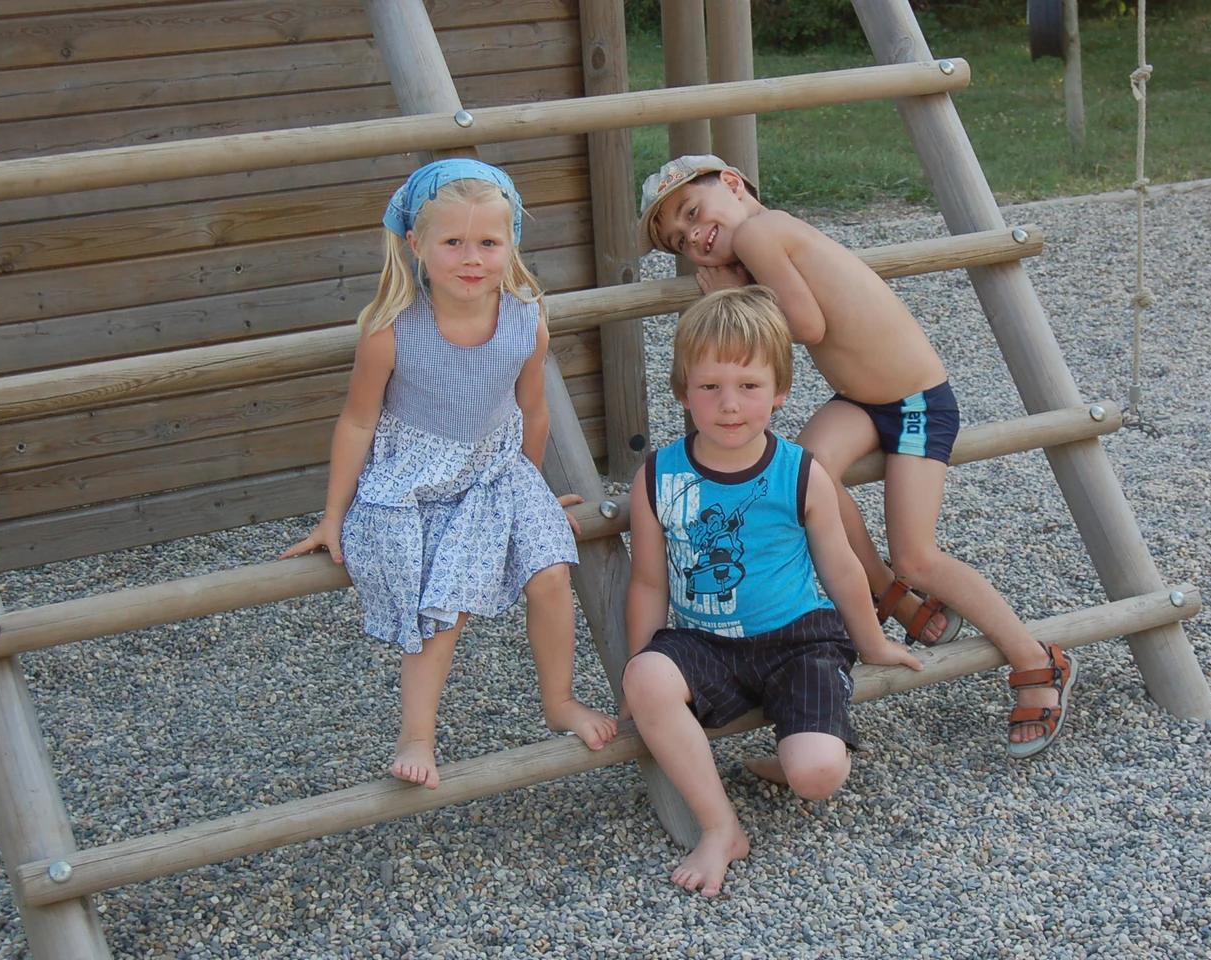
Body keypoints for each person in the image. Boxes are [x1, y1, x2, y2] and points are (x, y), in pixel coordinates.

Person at [637, 156, 1077, 760]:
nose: (694, 238)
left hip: (916, 403)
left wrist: (735, 294)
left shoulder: (762, 233)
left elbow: (808, 324)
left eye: (693, 212)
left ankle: (1036, 658)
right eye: (680, 241)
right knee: (806, 470)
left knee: (918, 555)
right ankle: (890, 597)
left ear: (733, 184)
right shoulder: (763, 237)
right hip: (865, 400)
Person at [283, 159, 617, 790]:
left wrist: (533, 492)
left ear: (510, 243)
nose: (472, 258)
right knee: (441, 602)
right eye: (453, 243)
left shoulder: (525, 321)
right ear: (417, 245)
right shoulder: (391, 334)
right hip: (419, 480)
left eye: (489, 243)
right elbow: (357, 423)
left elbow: (532, 410)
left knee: (551, 569)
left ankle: (560, 700)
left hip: (497, 469)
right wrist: (333, 515)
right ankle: (417, 733)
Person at [623, 286, 924, 897]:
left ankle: (790, 758)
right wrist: (637, 673)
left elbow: (840, 568)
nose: (729, 405)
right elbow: (650, 580)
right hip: (702, 640)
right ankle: (720, 826)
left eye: (748, 386)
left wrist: (872, 641)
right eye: (709, 387)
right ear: (684, 392)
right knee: (647, 678)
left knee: (817, 774)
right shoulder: (659, 475)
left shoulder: (800, 471)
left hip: (798, 641)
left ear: (779, 390)